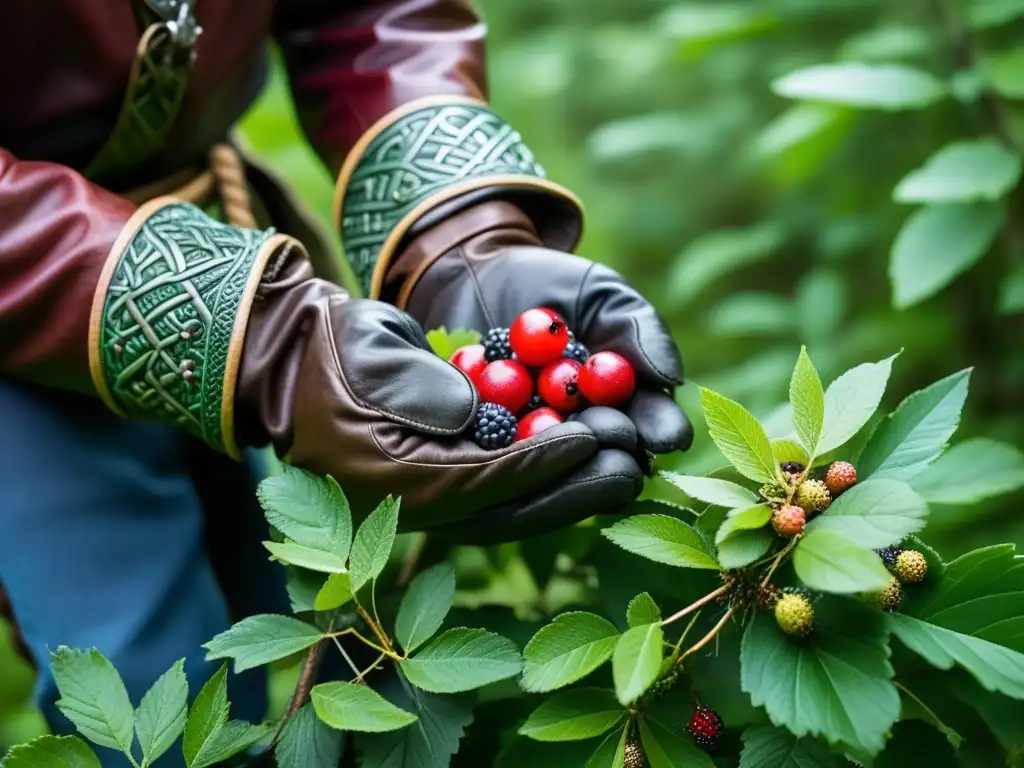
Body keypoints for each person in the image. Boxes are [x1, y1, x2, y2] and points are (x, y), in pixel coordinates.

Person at [0, 1, 692, 764]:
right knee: (143, 696)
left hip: (207, 232)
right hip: (20, 313)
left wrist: (460, 236)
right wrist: (268, 342)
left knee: (253, 616)